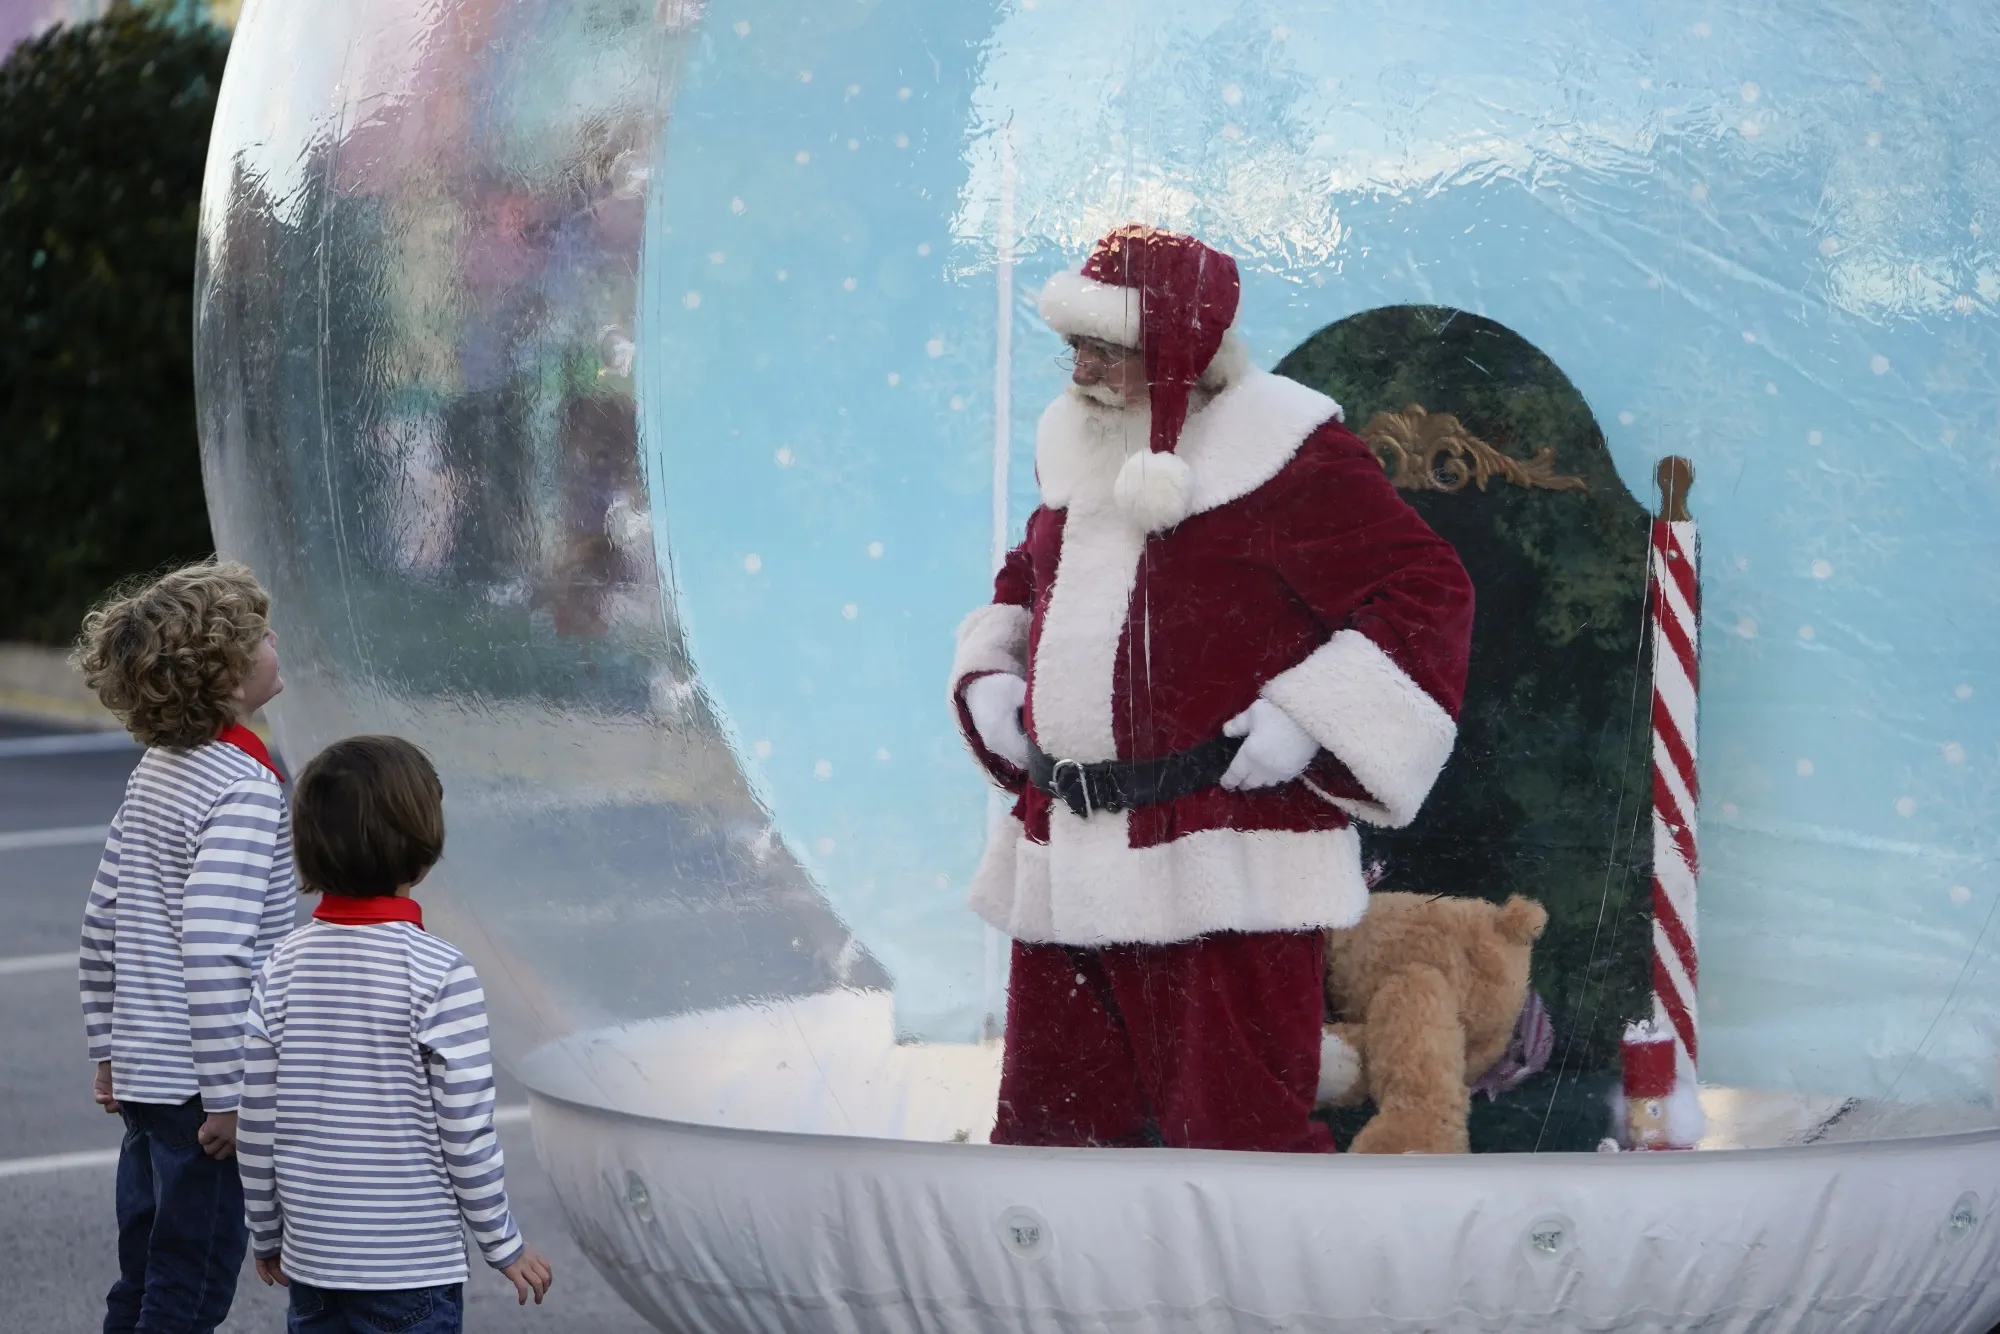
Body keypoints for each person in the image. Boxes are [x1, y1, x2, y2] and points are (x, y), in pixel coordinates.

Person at [947, 225, 1476, 1153]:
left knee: (1238, 1144)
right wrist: (994, 670)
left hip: (1222, 862)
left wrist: (1310, 718)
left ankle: (1275, 1302)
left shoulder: (1285, 451)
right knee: (1053, 1135)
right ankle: (1060, 1300)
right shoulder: (1083, 441)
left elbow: (1427, 588)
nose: (1077, 369)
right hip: (1066, 853)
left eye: (1102, 348)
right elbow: (1034, 576)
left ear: (1177, 348)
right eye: (1072, 345)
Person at [235, 734, 553, 1332]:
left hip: (314, 1265)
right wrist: (501, 1244)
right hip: (411, 1271)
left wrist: (265, 1230)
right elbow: (466, 1133)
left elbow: (256, 1121)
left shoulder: (280, 967)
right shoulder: (441, 973)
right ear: (423, 851)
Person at [74, 560, 296, 1334]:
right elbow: (214, 947)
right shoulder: (241, 786)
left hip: (147, 1077)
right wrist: (232, 1097)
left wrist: (109, 1048)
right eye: (258, 634)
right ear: (228, 679)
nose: (275, 637)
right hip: (205, 1096)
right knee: (190, 1291)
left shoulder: (158, 771)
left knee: (144, 1274)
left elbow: (102, 918)